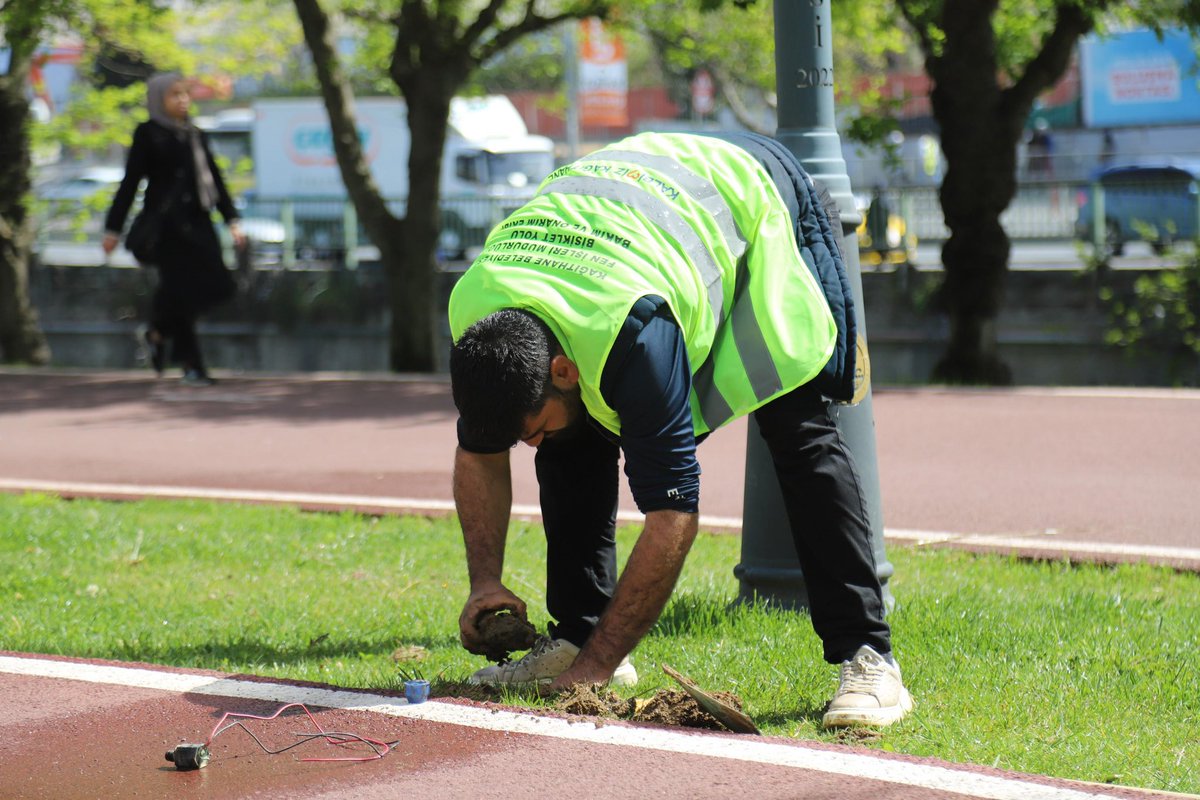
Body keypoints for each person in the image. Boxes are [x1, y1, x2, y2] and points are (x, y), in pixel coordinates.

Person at [448, 131, 912, 728]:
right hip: (636, 221)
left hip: (755, 200)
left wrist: (592, 674)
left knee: (800, 436)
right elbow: (478, 453)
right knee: (567, 439)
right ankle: (577, 634)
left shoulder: (634, 336)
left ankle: (870, 658)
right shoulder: (477, 316)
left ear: (562, 369)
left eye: (529, 430)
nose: (527, 445)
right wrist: (484, 582)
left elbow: (672, 518)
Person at [102, 72, 245, 386]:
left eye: (185, 94)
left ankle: (157, 332)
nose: (182, 100)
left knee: (220, 285)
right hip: (166, 228)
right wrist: (113, 228)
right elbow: (130, 183)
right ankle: (192, 365)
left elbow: (214, 179)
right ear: (158, 99)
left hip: (199, 222)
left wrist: (232, 220)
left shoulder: (195, 133)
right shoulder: (148, 134)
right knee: (180, 294)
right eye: (174, 95)